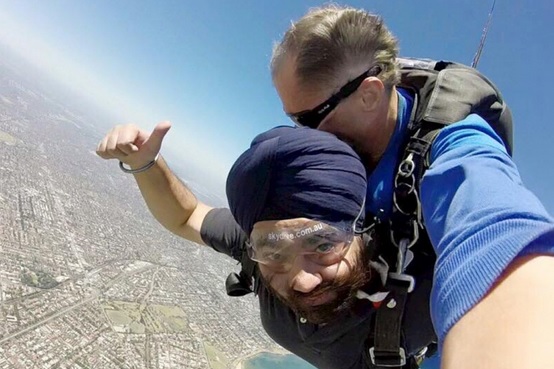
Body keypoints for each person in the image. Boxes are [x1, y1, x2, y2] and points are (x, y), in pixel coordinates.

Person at [96, 4, 554, 369]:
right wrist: (146, 164)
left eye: (307, 119)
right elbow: (188, 216)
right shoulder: (288, 212)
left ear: (371, 94)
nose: (301, 274)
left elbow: (499, 243)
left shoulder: (452, 149)